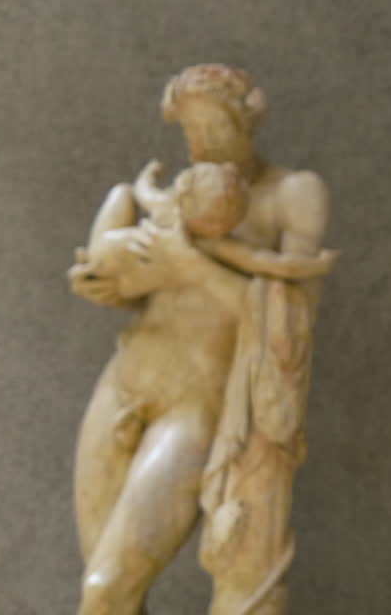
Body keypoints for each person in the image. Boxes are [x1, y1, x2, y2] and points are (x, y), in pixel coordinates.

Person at [68, 64, 331, 615]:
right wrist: (107, 282)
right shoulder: (176, 197)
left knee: (105, 591)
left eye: (215, 127)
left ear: (246, 120)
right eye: (190, 131)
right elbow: (132, 278)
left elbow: (292, 316)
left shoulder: (292, 192)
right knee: (105, 585)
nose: (203, 145)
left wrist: (190, 264)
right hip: (124, 384)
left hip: (197, 409)